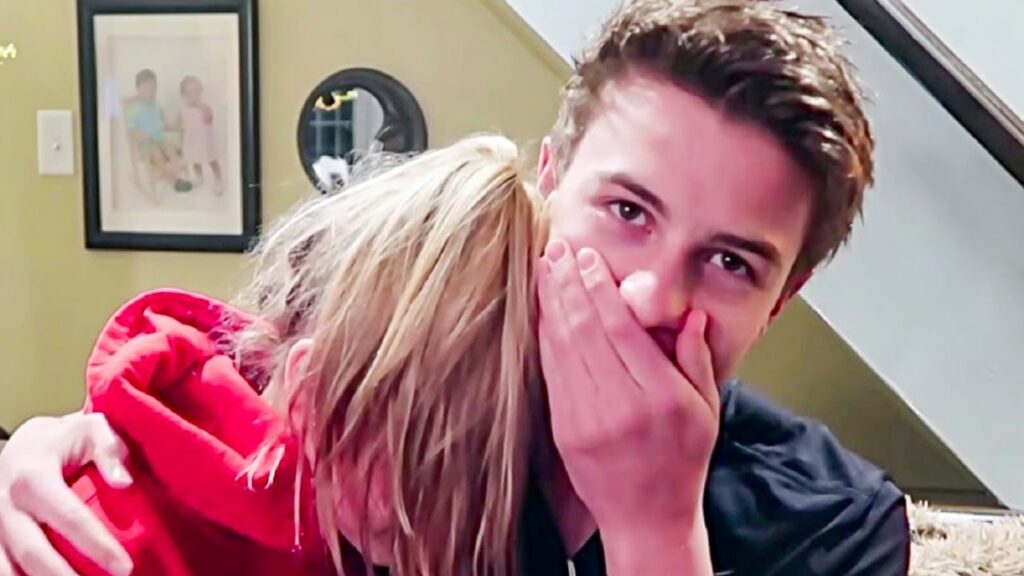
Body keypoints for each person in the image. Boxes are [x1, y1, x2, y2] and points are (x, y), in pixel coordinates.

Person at [0, 1, 910, 575]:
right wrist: (57, 457)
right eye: (627, 211)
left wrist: (656, 535)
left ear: (781, 298)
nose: (648, 299)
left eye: (730, 264)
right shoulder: (404, 364)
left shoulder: (834, 527)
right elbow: (202, 418)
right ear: (549, 183)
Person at [0, 135, 546, 576]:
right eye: (421, 467)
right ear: (311, 397)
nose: (439, 522)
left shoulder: (362, 524)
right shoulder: (89, 539)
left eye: (479, 474)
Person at [177, 76, 223, 194]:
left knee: (212, 160)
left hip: (206, 141)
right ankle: (199, 177)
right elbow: (181, 127)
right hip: (193, 140)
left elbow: (209, 119)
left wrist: (204, 110)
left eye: (197, 91)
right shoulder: (182, 110)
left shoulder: (204, 107)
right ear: (183, 95)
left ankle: (218, 180)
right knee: (195, 160)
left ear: (201, 92)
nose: (194, 95)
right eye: (189, 93)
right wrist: (181, 141)